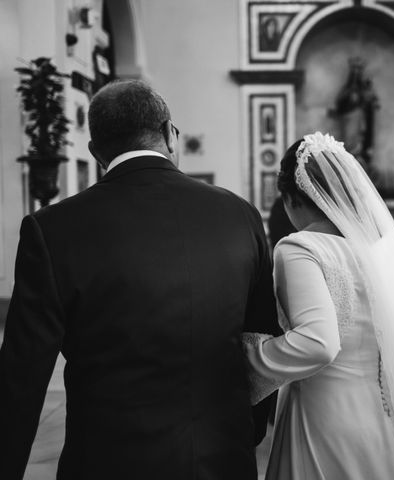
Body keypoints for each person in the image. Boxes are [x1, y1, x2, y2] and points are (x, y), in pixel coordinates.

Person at [0, 80, 278, 479]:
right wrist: (244, 429)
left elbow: (21, 376)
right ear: (169, 132)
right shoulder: (240, 215)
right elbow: (261, 336)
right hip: (222, 455)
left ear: (96, 152)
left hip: (109, 460)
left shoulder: (52, 230)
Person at [243, 132, 394, 479]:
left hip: (325, 419)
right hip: (383, 414)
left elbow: (317, 343)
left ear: (292, 198)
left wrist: (247, 362)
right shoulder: (383, 252)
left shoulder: (299, 247)